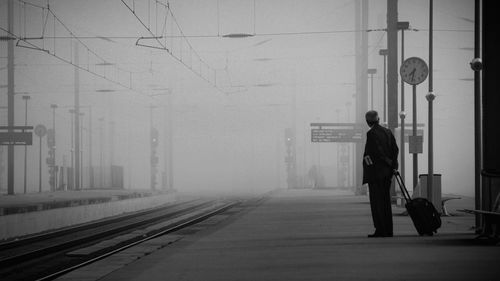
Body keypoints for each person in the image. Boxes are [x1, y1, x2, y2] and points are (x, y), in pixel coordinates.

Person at [362, 110, 399, 237]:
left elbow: (375, 153)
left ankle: (380, 229)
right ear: (378, 119)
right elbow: (395, 150)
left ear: (368, 122)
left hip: (376, 174)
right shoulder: (388, 132)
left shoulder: (371, 133)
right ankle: (388, 230)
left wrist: (369, 168)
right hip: (387, 173)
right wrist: (393, 165)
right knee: (385, 202)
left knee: (377, 203)